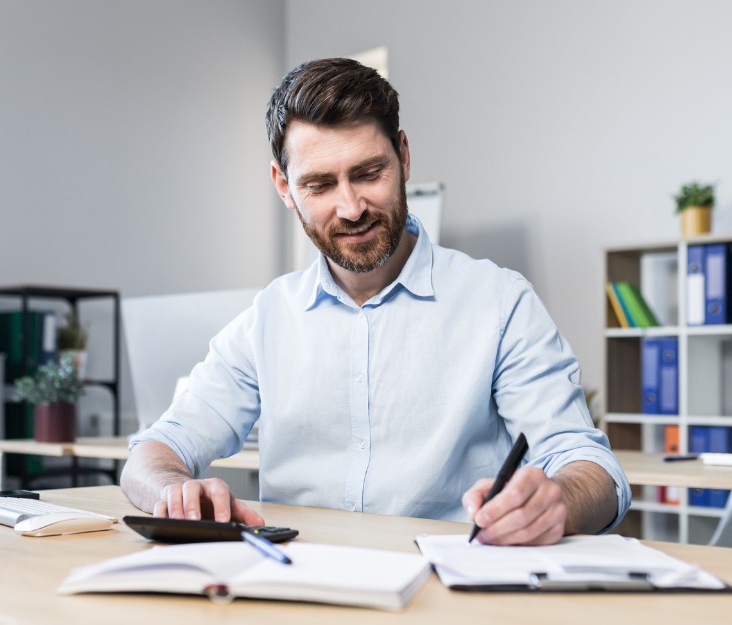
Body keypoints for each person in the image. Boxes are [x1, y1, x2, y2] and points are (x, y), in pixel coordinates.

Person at [120, 58, 631, 546]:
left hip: (447, 591)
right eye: (319, 184)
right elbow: (155, 450)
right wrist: (173, 490)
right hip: (295, 583)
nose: (351, 207)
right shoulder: (269, 317)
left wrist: (557, 501)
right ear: (283, 186)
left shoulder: (499, 303)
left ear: (403, 156)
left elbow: (590, 466)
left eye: (368, 173)